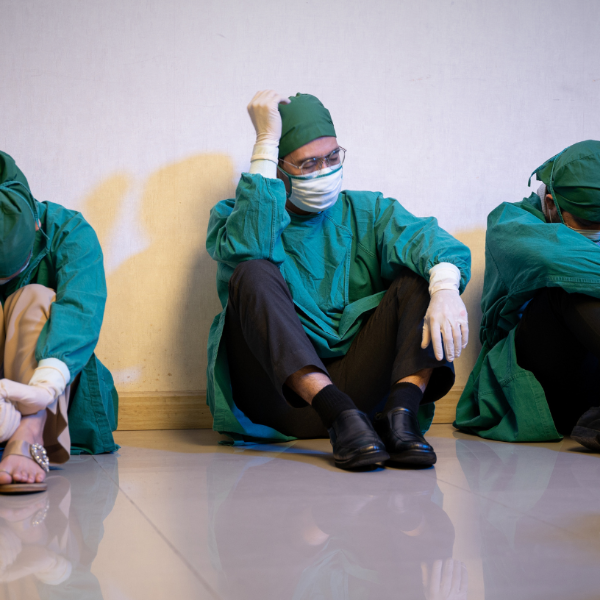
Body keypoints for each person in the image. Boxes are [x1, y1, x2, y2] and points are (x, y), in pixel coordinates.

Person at [206, 90, 471, 470]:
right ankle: (338, 414)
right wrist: (264, 142)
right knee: (253, 270)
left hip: (365, 401)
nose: (325, 171)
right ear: (278, 169)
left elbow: (429, 241)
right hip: (283, 399)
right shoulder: (236, 219)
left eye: (332, 157)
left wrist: (444, 286)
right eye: (308, 163)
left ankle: (400, 417)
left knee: (422, 276)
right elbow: (251, 246)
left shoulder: (367, 210)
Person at [455, 140, 600, 452]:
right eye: (588, 224)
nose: (597, 232)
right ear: (550, 203)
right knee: (569, 286)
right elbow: (558, 260)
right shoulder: (509, 223)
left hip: (592, 383)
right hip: (540, 381)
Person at [0, 151, 118, 494]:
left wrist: (44, 387)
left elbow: (82, 308)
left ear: (35, 224)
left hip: (59, 384)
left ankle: (29, 430)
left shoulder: (70, 232)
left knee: (34, 298)